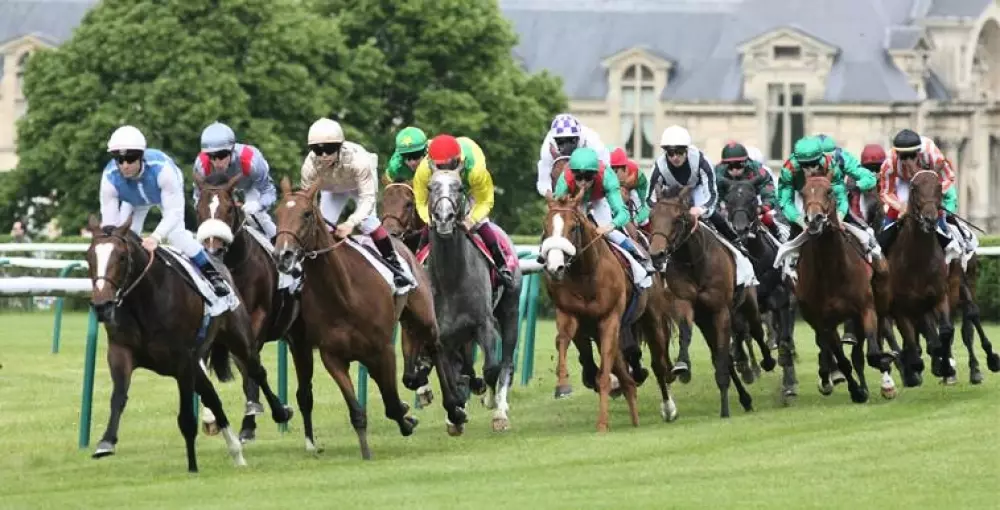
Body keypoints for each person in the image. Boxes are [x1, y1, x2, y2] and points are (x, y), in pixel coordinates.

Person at [99, 125, 230, 296]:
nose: (124, 165)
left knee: (176, 235)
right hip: (133, 201)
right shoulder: (109, 178)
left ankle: (213, 275)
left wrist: (156, 237)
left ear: (141, 156)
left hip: (163, 194)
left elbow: (173, 214)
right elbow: (110, 225)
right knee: (123, 239)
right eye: (119, 160)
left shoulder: (163, 171)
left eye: (130, 159)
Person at [299, 117, 411, 288]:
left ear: (339, 146)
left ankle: (395, 264)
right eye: (317, 150)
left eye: (329, 150)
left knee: (368, 223)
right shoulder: (309, 166)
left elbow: (368, 199)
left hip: (358, 186)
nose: (323, 156)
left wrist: (351, 222)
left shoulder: (359, 161)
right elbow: (308, 202)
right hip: (332, 188)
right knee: (321, 228)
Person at [412, 134, 515, 288]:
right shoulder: (424, 170)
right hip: (442, 189)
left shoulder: (476, 170)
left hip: (469, 185)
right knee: (434, 222)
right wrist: (431, 220)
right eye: (439, 167)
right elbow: (420, 201)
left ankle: (501, 266)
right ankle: (416, 264)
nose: (444, 170)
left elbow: (485, 201)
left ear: (457, 161)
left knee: (481, 223)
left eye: (448, 166)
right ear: (432, 163)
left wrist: (470, 220)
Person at [775, 136, 886, 272]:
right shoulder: (789, 169)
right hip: (803, 198)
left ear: (821, 157)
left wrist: (840, 215)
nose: (810, 170)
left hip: (829, 199)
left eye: (814, 163)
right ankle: (788, 273)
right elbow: (785, 201)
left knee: (865, 232)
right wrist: (800, 221)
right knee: (787, 243)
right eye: (805, 165)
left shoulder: (832, 163)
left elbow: (841, 195)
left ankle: (876, 258)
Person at [553, 147, 654, 276]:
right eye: (578, 177)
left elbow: (623, 213)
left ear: (596, 174)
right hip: (576, 201)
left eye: (588, 177)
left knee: (608, 232)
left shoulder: (607, 176)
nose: (583, 183)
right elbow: (555, 211)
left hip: (599, 200)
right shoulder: (564, 180)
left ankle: (640, 256)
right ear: (572, 174)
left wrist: (609, 227)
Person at [646, 125, 747, 254]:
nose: (675, 157)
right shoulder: (659, 167)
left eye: (680, 152)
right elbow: (649, 199)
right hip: (673, 193)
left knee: (712, 214)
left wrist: (700, 209)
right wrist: (660, 209)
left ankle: (735, 241)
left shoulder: (702, 161)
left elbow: (712, 194)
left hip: (697, 188)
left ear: (687, 150)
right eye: (670, 153)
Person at [877, 128, 969, 255]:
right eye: (903, 157)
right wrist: (900, 207)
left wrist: (931, 193)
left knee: (933, 209)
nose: (908, 161)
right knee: (894, 214)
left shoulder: (931, 152)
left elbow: (950, 177)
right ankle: (883, 245)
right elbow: (886, 192)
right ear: (897, 154)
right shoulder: (889, 163)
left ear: (919, 152)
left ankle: (950, 241)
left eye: (912, 155)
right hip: (903, 181)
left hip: (929, 180)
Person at [192, 122, 278, 239]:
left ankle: (277, 246)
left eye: (222, 155)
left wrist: (258, 205)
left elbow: (269, 192)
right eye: (212, 156)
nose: (217, 163)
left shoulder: (252, 160)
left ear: (232, 150)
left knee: (256, 215)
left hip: (250, 187)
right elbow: (198, 197)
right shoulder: (202, 165)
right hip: (220, 191)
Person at [714, 142, 789, 241]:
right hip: (729, 205)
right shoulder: (716, 173)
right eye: (730, 166)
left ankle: (779, 239)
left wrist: (762, 208)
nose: (735, 170)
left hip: (753, 203)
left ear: (745, 162)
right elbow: (713, 196)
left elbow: (768, 193)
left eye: (738, 165)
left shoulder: (758, 171)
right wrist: (720, 210)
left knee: (767, 217)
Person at [536, 113, 611, 197]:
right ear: (554, 140)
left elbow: (606, 173)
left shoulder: (593, 142)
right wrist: (552, 198)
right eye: (560, 142)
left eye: (571, 140)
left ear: (578, 138)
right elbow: (543, 181)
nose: (566, 147)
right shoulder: (547, 149)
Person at [609, 147, 650, 231]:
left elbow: (646, 206)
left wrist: (636, 219)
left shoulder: (636, 175)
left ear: (625, 169)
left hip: (637, 190)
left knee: (644, 219)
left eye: (615, 171)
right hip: (622, 189)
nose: (611, 175)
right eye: (610, 170)